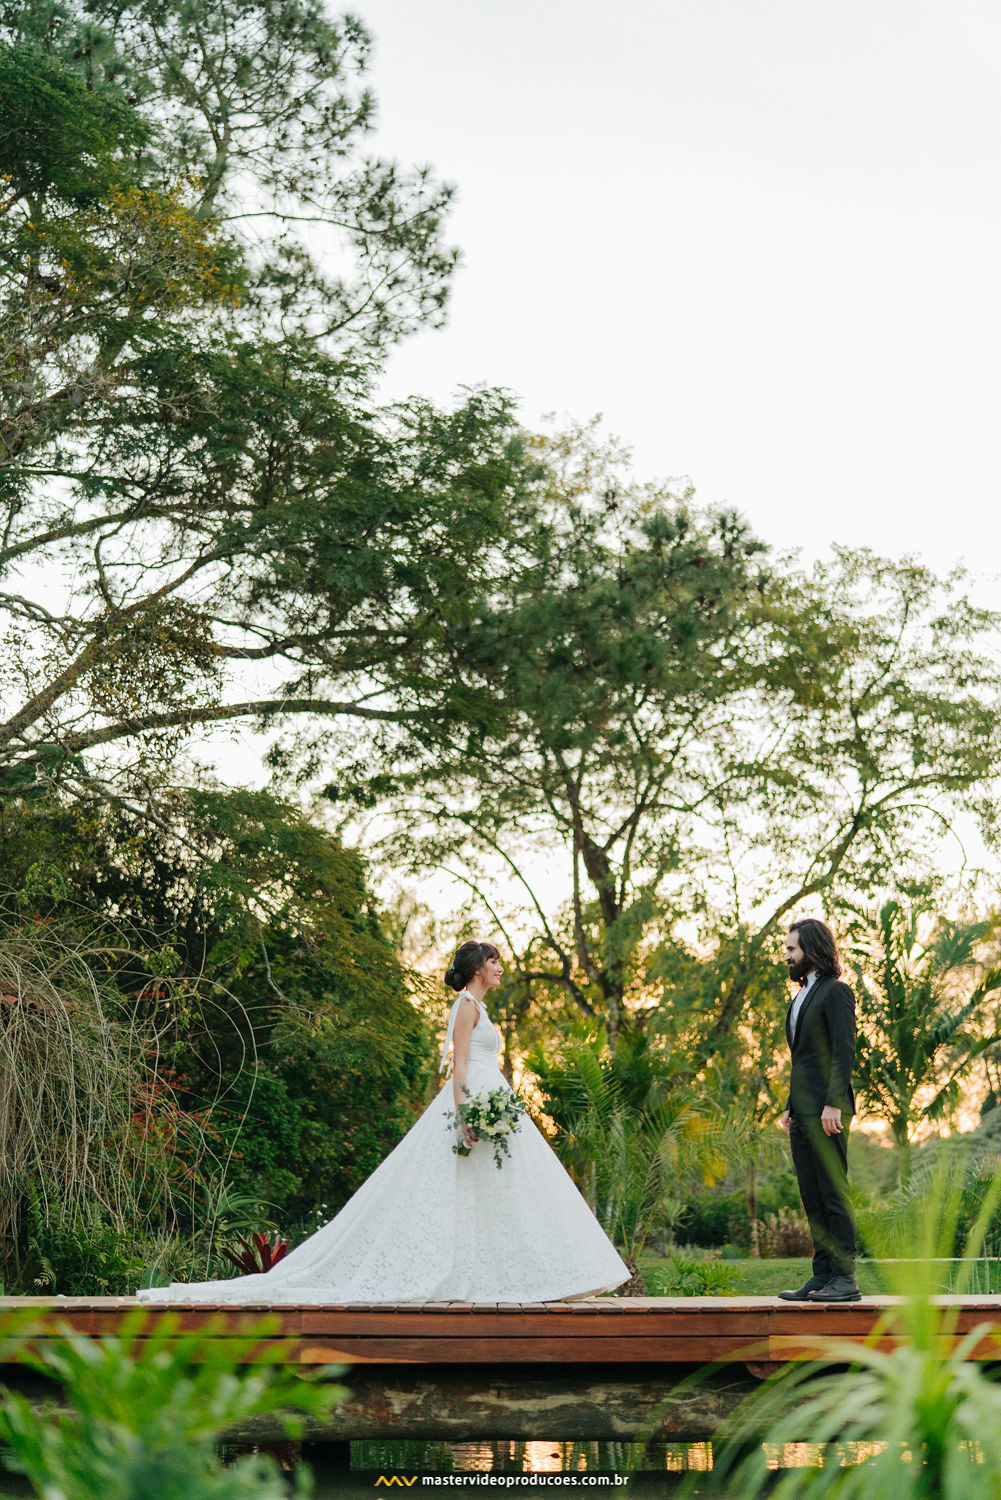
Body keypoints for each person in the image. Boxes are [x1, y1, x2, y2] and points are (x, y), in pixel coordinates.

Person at [136, 939, 628, 1304]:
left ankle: (522, 1276)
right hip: (471, 1101)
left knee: (501, 1190)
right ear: (479, 967)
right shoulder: (466, 1007)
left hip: (492, 1099)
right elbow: (459, 1067)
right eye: (496, 961)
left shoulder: (479, 1007)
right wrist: (465, 1116)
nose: (501, 968)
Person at [777, 917, 859, 1304]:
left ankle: (845, 1278)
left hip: (827, 1112)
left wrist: (834, 1104)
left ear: (812, 949)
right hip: (802, 1112)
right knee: (812, 1195)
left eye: (792, 948)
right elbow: (803, 1060)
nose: (787, 955)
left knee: (833, 1194)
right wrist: (790, 1107)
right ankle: (823, 1275)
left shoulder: (836, 992)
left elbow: (843, 1053)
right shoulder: (799, 998)